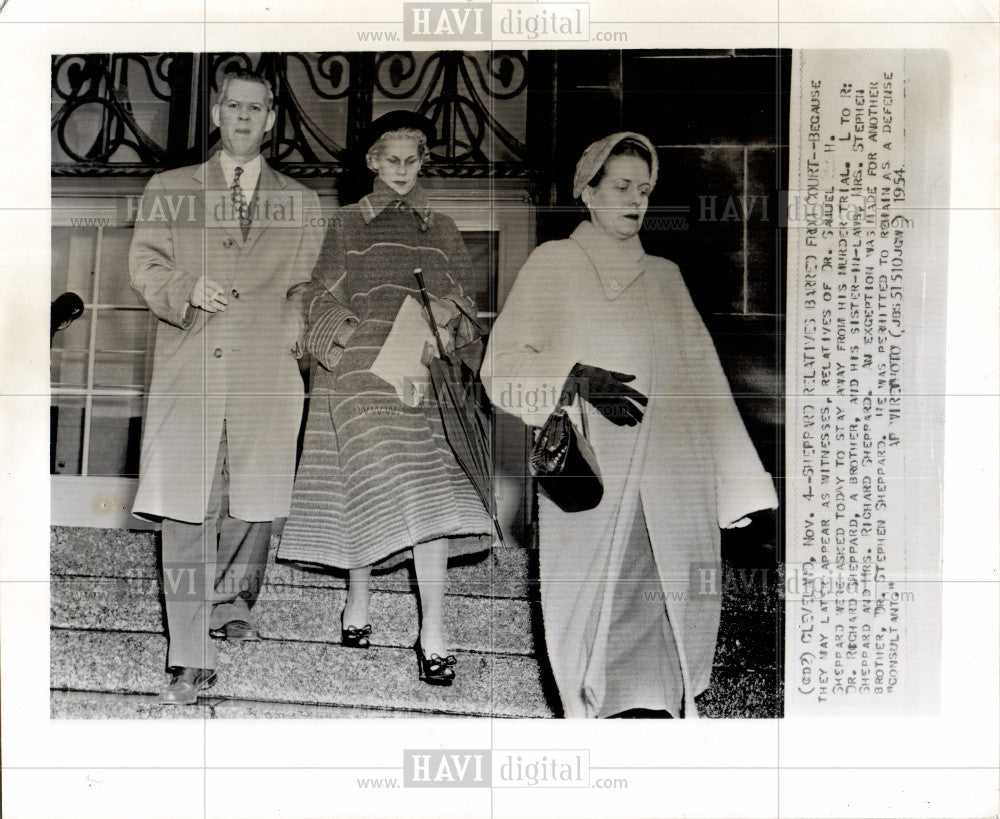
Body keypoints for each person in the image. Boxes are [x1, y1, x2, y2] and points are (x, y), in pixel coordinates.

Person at [481, 131, 778, 718]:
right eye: (621, 187)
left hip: (673, 480)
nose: (635, 200)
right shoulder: (554, 263)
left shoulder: (665, 276)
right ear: (586, 192)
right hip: (594, 479)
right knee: (592, 617)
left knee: (666, 612)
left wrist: (737, 482)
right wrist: (571, 376)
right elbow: (501, 367)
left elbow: (705, 381)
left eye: (644, 190)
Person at [129, 67, 324, 705]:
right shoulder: (171, 187)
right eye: (233, 105)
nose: (243, 117)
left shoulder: (299, 202)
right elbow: (146, 264)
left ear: (271, 120)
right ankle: (189, 653)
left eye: (256, 108)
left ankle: (228, 603)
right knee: (186, 510)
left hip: (264, 370)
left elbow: (310, 283)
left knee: (253, 500)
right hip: (192, 368)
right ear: (217, 112)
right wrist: (186, 289)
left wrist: (302, 312)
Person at [277, 111, 493, 685]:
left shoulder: (442, 227)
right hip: (356, 379)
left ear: (423, 161)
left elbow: (468, 306)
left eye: (411, 160)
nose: (401, 170)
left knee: (427, 497)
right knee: (368, 485)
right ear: (372, 162)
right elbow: (318, 297)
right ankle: (359, 598)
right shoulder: (347, 223)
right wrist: (352, 341)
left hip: (422, 380)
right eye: (389, 159)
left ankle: (434, 631)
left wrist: (449, 322)